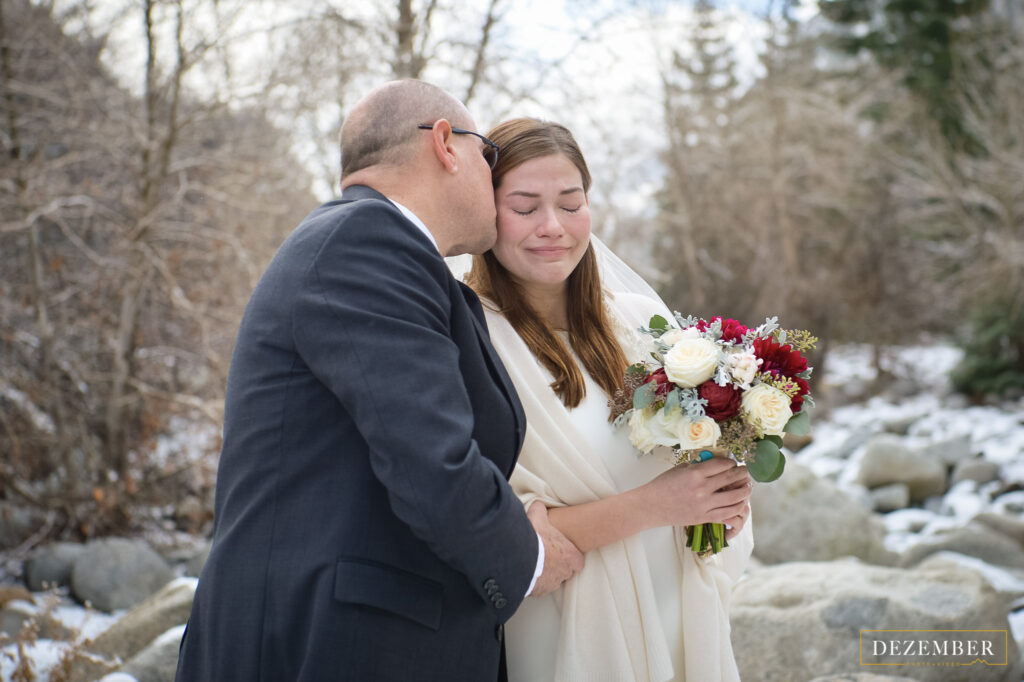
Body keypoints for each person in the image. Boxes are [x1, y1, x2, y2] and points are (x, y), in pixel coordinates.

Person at [175, 82, 584, 682]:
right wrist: (529, 556)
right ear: (446, 143)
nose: (490, 179)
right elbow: (429, 457)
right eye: (486, 156)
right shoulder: (365, 244)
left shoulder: (393, 258)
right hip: (324, 645)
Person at [462, 118, 755, 682]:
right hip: (569, 628)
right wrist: (660, 505)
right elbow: (500, 531)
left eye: (571, 204)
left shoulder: (637, 320)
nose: (553, 227)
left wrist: (724, 502)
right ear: (486, 212)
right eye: (525, 207)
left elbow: (697, 454)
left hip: (678, 604)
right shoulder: (472, 338)